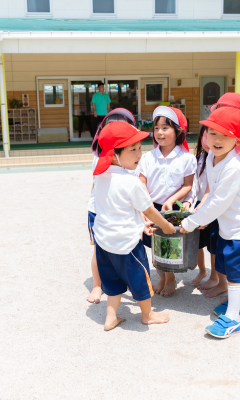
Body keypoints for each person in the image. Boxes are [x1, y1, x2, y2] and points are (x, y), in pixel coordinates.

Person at [180, 107, 240, 339]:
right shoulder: (212, 156)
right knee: (229, 266)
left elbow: (219, 202)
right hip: (231, 225)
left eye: (225, 135)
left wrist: (192, 222)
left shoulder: (234, 167)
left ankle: (232, 318)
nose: (217, 140)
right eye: (212, 133)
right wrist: (199, 212)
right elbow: (213, 193)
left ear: (237, 140)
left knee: (236, 271)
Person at [93, 121, 174, 331]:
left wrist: (140, 223)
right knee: (140, 278)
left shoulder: (100, 176)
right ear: (113, 154)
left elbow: (117, 208)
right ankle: (147, 315)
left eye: (139, 148)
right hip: (127, 245)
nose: (139, 154)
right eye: (133, 149)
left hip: (104, 242)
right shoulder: (130, 182)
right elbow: (148, 209)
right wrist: (165, 225)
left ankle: (110, 317)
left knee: (111, 281)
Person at [138, 106, 196, 296]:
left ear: (178, 131)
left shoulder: (186, 158)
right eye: (156, 128)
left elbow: (188, 185)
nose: (159, 132)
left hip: (171, 209)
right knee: (155, 244)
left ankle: (170, 277)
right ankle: (162, 277)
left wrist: (171, 200)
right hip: (152, 206)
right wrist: (145, 205)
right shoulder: (147, 158)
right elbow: (142, 182)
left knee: (170, 244)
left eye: (165, 128)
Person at [87, 108, 136, 304]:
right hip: (98, 211)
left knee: (126, 248)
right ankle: (97, 286)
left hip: (122, 211)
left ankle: (126, 283)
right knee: (99, 250)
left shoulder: (133, 157)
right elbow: (95, 185)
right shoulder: (99, 158)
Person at [181, 125, 223, 295]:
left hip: (214, 207)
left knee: (213, 245)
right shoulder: (197, 159)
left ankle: (214, 276)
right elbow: (193, 186)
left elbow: (212, 191)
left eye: (211, 136)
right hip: (198, 206)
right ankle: (202, 270)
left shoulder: (220, 160)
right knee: (197, 242)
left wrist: (201, 207)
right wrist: (189, 203)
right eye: (205, 137)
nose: (208, 142)